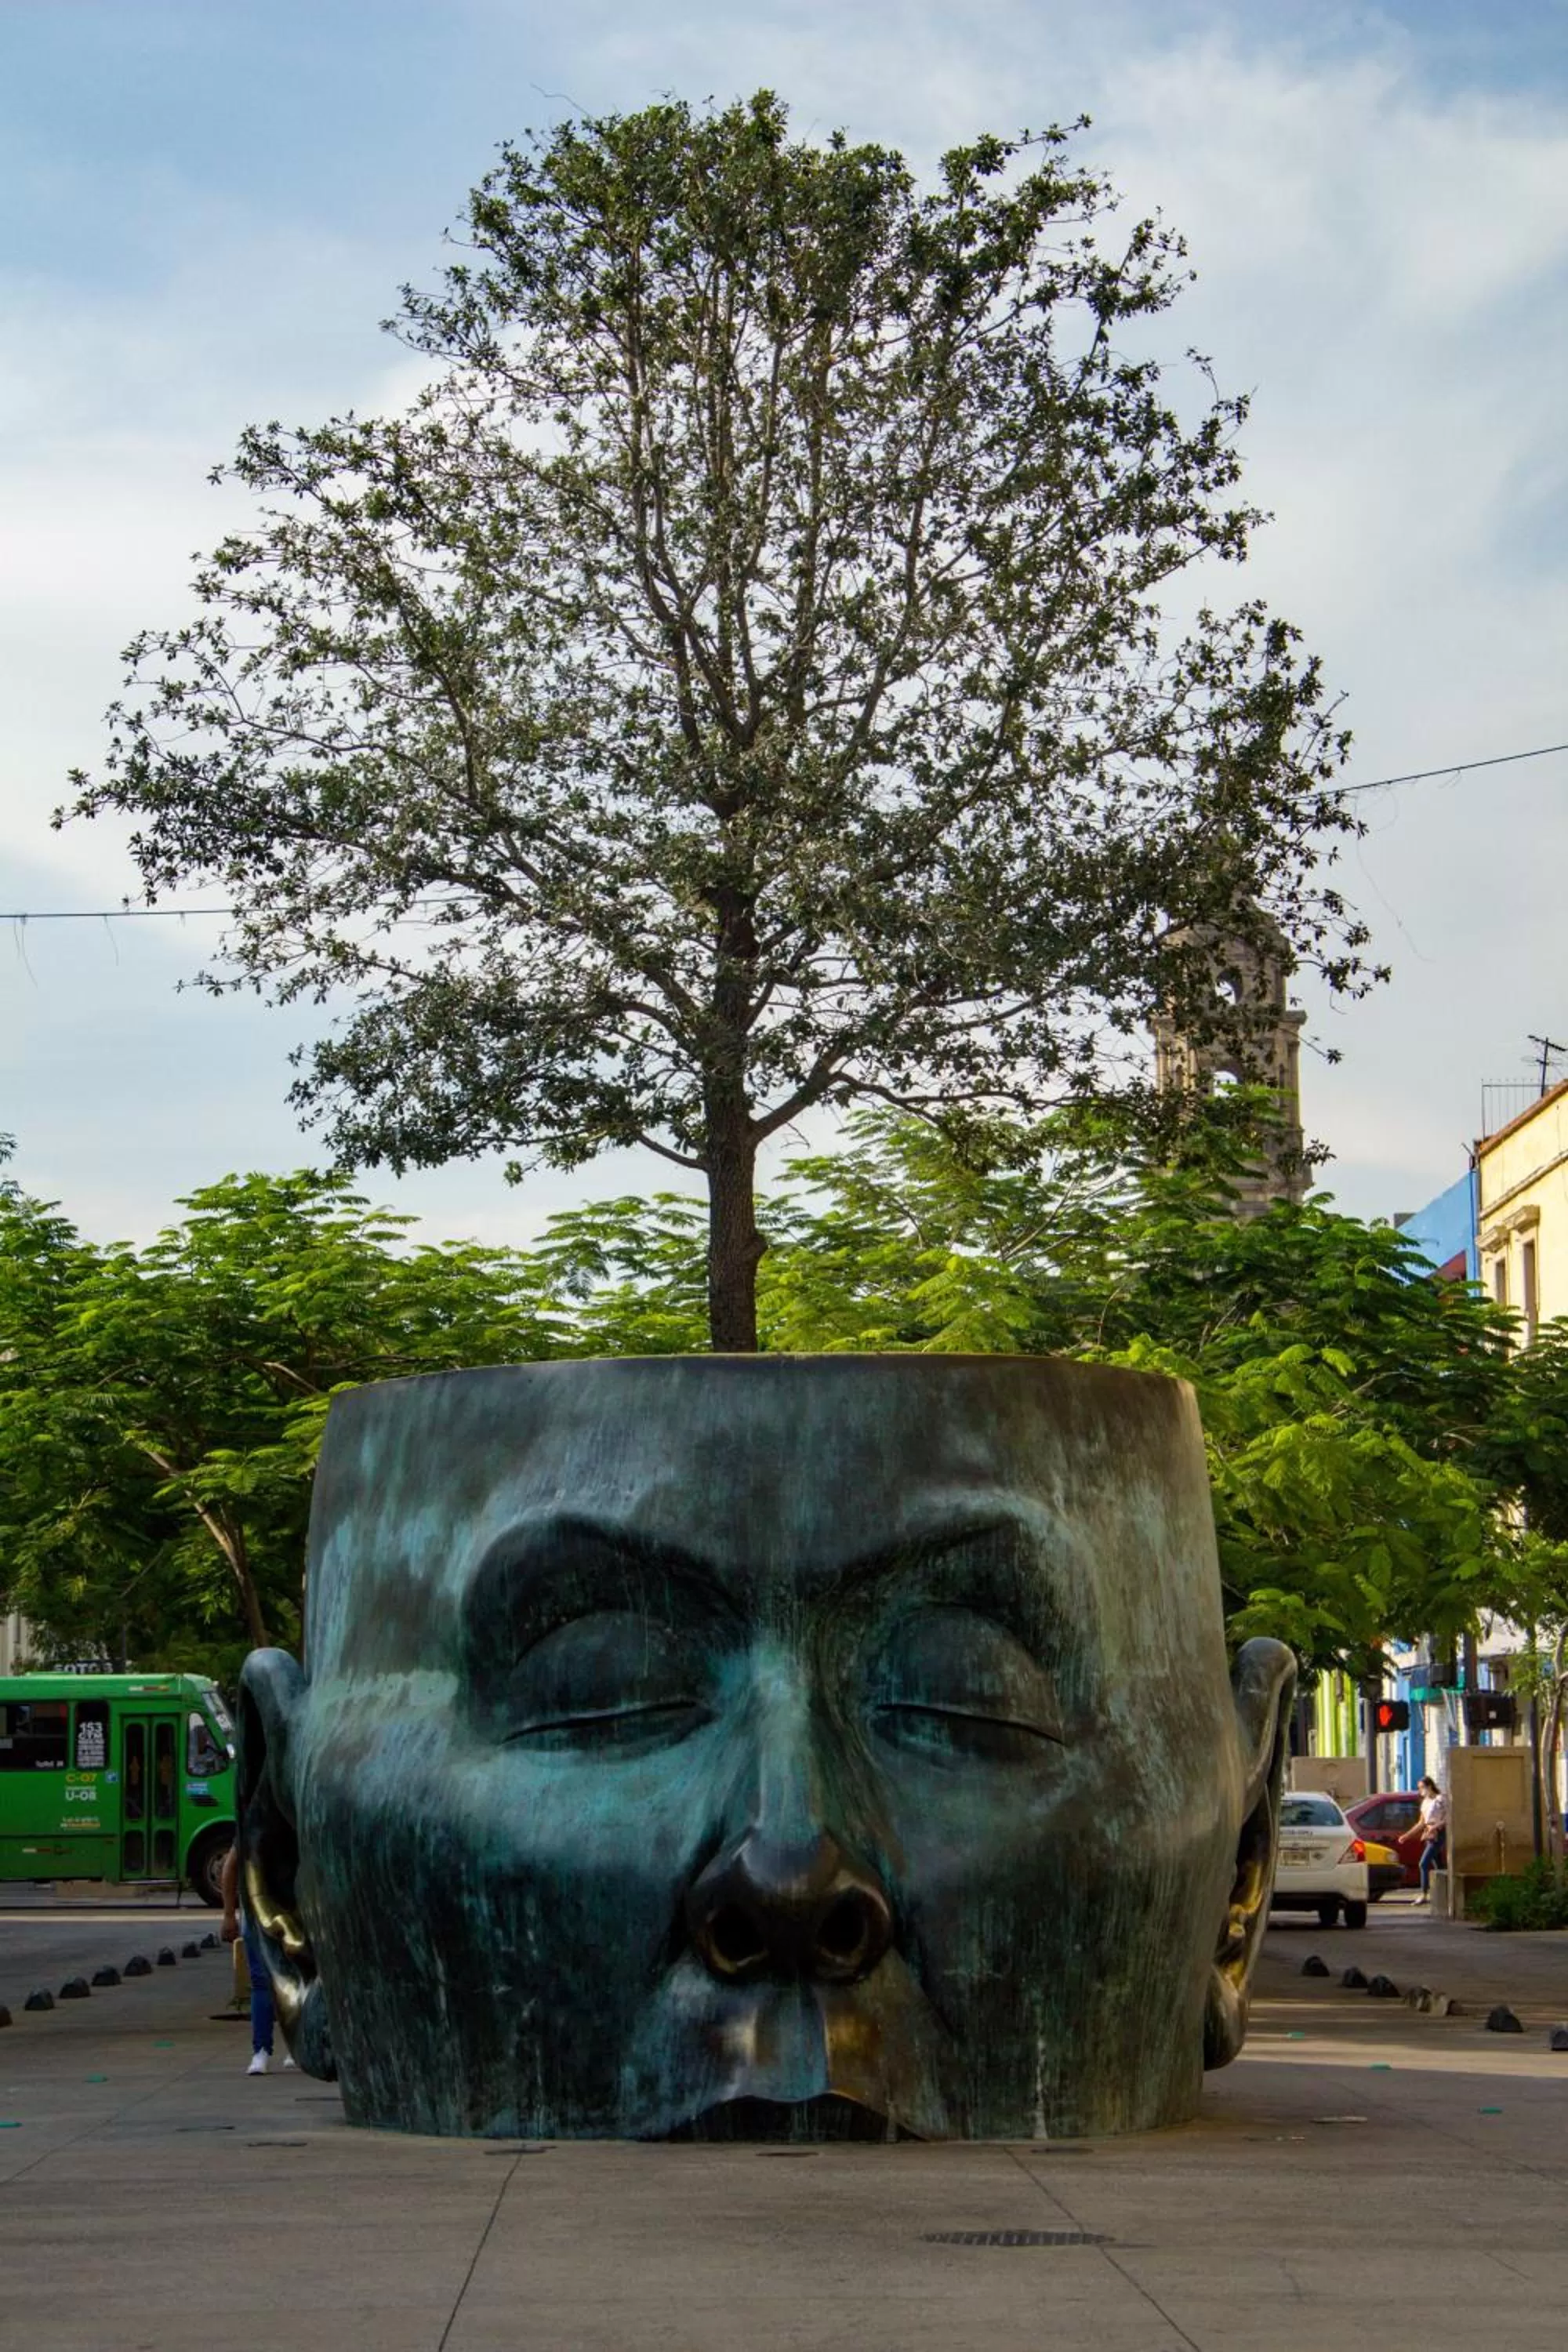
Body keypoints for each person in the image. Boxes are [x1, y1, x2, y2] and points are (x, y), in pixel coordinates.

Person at [220, 1840, 292, 2075]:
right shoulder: (252, 1827)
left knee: (288, 1982)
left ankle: (281, 2047)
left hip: (285, 1913)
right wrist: (229, 1915)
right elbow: (230, 1868)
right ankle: (262, 2049)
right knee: (266, 1982)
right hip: (263, 1915)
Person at [1414, 1774, 1447, 1903]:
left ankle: (1424, 1894)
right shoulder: (1425, 1803)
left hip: (1438, 1833)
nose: (1420, 1791)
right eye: (1419, 1788)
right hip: (1429, 1834)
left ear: (1430, 1786)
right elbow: (1421, 1822)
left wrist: (1436, 1827)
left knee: (1423, 1863)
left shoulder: (1439, 1799)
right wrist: (1406, 1836)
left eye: (1422, 1787)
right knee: (1439, 1865)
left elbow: (1447, 1818)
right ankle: (1444, 1893)